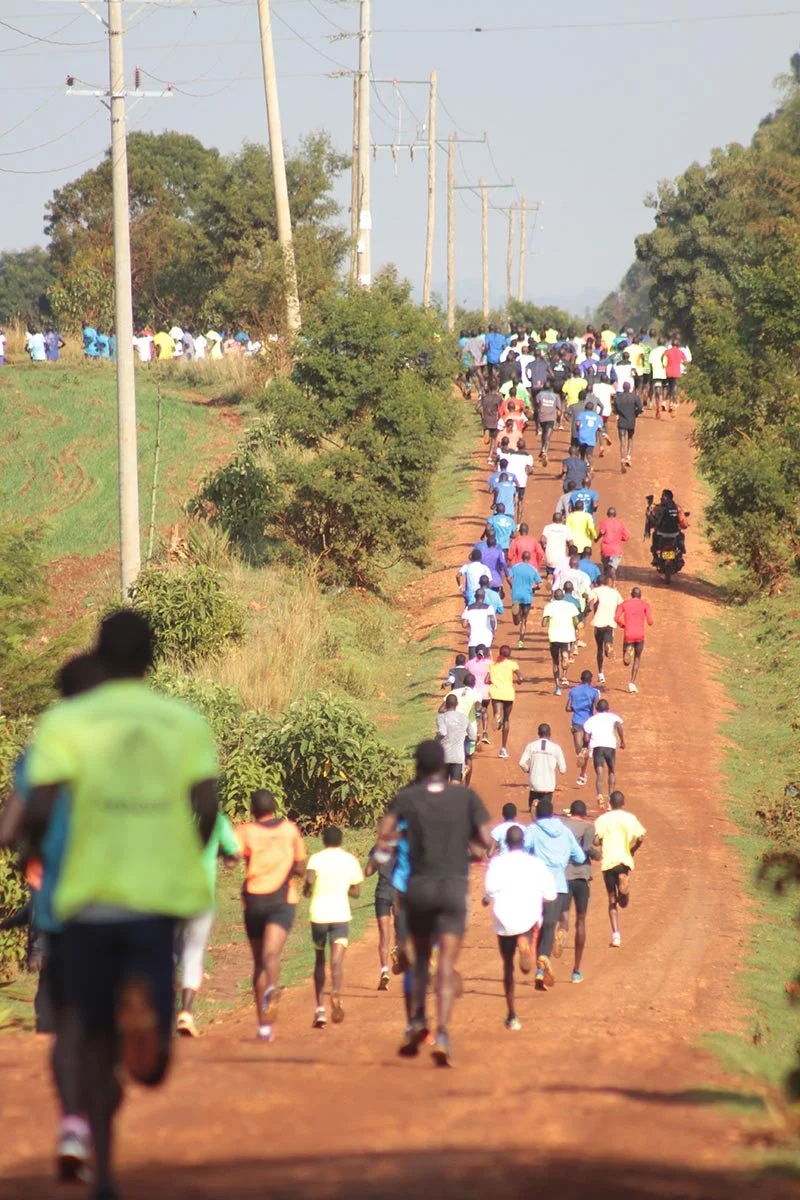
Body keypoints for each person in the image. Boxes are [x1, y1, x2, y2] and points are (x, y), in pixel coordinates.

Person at [21, 610, 219, 1200]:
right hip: (156, 901)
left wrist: (37, 853)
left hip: (86, 898)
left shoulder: (66, 721)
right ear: (152, 658)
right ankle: (145, 1025)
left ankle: (100, 1170)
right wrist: (186, 851)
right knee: (148, 1067)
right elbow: (207, 807)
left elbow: (39, 805)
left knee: (85, 1037)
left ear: (100, 658)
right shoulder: (182, 722)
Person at [0, 652, 106, 1183]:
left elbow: (10, 825)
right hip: (126, 904)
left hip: (66, 907)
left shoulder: (45, 750)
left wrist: (31, 844)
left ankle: (71, 1125)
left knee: (63, 1019)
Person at [377, 740, 493, 1066]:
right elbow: (486, 841)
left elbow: (384, 834)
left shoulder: (407, 798)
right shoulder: (465, 797)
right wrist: (465, 843)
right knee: (444, 964)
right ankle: (442, 1033)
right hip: (453, 890)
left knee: (418, 959)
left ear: (419, 765)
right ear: (444, 764)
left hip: (418, 889)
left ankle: (416, 1020)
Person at [235, 789, 306, 1040]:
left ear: (252, 810)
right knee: (271, 953)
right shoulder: (289, 830)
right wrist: (293, 870)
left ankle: (263, 1026)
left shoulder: (245, 831)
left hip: (254, 901)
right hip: (282, 900)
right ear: (275, 808)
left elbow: (232, 858)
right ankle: (271, 991)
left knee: (258, 963)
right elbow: (300, 865)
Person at [483, 826, 557, 1029]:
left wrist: (487, 898)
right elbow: (550, 894)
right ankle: (525, 943)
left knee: (508, 966)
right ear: (523, 842)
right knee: (529, 926)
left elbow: (490, 889)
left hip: (504, 919)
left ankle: (512, 1015)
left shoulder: (497, 863)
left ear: (505, 843)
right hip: (528, 916)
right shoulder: (535, 864)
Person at [176, 806, 240, 1040]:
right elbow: (233, 855)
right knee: (193, 952)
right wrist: (225, 856)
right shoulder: (217, 820)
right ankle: (186, 1012)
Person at [304, 826, 364, 1028]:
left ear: (323, 840)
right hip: (340, 914)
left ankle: (319, 1009)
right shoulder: (349, 860)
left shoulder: (316, 858)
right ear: (341, 840)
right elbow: (356, 892)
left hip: (319, 914)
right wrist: (342, 886)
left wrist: (307, 888)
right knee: (337, 961)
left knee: (319, 958)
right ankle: (336, 992)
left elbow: (310, 879)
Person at [524, 799, 586, 990]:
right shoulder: (565, 831)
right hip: (558, 884)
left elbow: (523, 849)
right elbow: (580, 857)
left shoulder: (533, 830)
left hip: (535, 883)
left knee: (531, 921)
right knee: (550, 926)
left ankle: (525, 946)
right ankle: (542, 966)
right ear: (552, 814)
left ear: (537, 814)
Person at [594, 791, 646, 947]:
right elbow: (641, 837)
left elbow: (596, 841)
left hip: (608, 861)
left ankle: (616, 935)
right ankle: (624, 881)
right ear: (623, 803)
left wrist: (600, 840)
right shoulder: (630, 818)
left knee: (612, 900)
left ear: (610, 803)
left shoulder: (602, 819)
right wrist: (633, 849)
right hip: (624, 860)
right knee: (624, 903)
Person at [557, 800, 598, 982]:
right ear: (584, 814)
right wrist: (598, 855)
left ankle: (561, 931)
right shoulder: (588, 828)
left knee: (564, 915)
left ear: (570, 812)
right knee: (581, 920)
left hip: (564, 875)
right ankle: (576, 970)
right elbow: (587, 848)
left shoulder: (561, 826)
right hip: (581, 875)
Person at [365, 838, 396, 991]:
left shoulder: (379, 847)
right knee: (401, 929)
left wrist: (378, 860)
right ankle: (397, 949)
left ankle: (384, 970)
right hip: (400, 893)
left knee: (384, 934)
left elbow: (368, 872)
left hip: (382, 893)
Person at [582, 698, 625, 807]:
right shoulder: (613, 717)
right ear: (608, 708)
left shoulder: (591, 720)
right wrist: (622, 741)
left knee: (599, 774)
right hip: (610, 746)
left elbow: (586, 738)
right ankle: (611, 799)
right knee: (611, 771)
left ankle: (600, 796)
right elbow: (619, 725)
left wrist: (586, 747)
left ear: (596, 709)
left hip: (597, 747)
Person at [518, 723, 567, 811]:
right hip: (548, 786)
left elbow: (521, 763)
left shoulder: (531, 746)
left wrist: (528, 770)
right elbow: (563, 770)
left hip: (534, 785)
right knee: (545, 813)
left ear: (538, 734)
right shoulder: (556, 748)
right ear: (549, 734)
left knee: (532, 813)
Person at [615, 587, 654, 693]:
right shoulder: (645, 605)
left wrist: (622, 625)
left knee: (626, 662)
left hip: (628, 634)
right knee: (637, 658)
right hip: (640, 635)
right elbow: (650, 622)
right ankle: (632, 683)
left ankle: (627, 651)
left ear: (631, 594)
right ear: (640, 595)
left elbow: (616, 618)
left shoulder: (624, 604)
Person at [566, 669, 600, 786]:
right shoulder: (594, 692)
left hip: (576, 721)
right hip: (588, 722)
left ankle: (581, 755)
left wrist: (577, 707)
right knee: (585, 748)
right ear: (590, 680)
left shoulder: (573, 691)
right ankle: (582, 774)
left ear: (581, 679)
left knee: (579, 749)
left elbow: (568, 708)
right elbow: (597, 707)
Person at [541, 588, 579, 695]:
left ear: (554, 596)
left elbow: (543, 623)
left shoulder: (549, 606)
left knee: (555, 662)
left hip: (554, 637)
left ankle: (557, 687)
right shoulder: (570, 606)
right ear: (563, 596)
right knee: (564, 653)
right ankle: (565, 662)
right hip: (567, 636)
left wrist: (548, 619)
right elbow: (576, 621)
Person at [488, 645, 522, 760]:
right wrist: (518, 681)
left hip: (496, 693)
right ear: (509, 654)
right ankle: (503, 748)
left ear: (499, 653)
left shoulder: (493, 665)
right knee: (507, 719)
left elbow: (487, 679)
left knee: (497, 712)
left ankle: (497, 716)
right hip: (508, 694)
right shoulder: (512, 664)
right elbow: (521, 677)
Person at [588, 574, 624, 683]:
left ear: (597, 583)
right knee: (608, 637)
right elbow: (621, 604)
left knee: (599, 648)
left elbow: (590, 601)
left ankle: (600, 673)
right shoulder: (615, 592)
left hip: (598, 622)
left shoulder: (595, 591)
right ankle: (609, 644)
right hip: (610, 622)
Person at [435, 693, 472, 781]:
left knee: (443, 784)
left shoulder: (441, 717)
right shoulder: (464, 718)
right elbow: (472, 736)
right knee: (456, 783)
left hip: (444, 756)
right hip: (458, 757)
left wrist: (436, 738)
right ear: (457, 704)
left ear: (446, 704)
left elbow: (443, 732)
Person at [509, 550, 541, 647]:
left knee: (517, 619)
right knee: (524, 619)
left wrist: (512, 586)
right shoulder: (533, 569)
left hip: (516, 594)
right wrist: (534, 588)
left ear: (521, 557)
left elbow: (508, 578)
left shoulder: (515, 567)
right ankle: (521, 641)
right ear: (529, 558)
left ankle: (516, 617)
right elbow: (540, 584)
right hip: (527, 596)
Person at [613, 381, 643, 471]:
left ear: (623, 388)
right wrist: (635, 414)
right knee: (630, 438)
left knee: (622, 441)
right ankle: (628, 457)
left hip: (621, 421)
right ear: (630, 388)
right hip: (631, 421)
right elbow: (640, 408)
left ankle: (622, 457)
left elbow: (614, 410)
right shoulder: (634, 397)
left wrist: (619, 413)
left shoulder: (618, 397)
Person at [597, 507, 630, 581]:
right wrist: (618, 537)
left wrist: (596, 539)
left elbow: (601, 532)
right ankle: (613, 584)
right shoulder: (620, 523)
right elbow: (626, 537)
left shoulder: (604, 522)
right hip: (616, 550)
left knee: (605, 567)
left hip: (605, 549)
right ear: (615, 515)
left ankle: (605, 582)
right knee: (612, 568)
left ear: (607, 514)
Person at [461, 587, 497, 656]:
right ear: (484, 597)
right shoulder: (489, 608)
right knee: (485, 663)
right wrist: (493, 631)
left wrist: (468, 625)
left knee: (472, 663)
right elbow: (492, 619)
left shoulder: (468, 608)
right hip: (486, 639)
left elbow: (464, 624)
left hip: (474, 639)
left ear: (475, 596)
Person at [505, 439, 534, 518]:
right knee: (520, 502)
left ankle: (510, 518)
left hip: (511, 481)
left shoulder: (510, 454)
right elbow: (529, 470)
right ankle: (518, 523)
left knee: (511, 501)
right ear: (525, 446)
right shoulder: (528, 456)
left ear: (517, 446)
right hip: (521, 482)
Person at [540, 511, 572, 581]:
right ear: (562, 520)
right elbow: (571, 543)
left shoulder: (547, 528)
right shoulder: (565, 529)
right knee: (560, 576)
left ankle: (550, 577)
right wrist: (570, 554)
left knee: (550, 568)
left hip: (549, 557)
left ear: (553, 519)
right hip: (561, 559)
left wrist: (544, 548)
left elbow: (542, 539)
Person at [535, 384, 562, 465]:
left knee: (544, 433)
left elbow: (536, 403)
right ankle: (545, 452)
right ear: (551, 388)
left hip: (542, 418)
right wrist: (558, 419)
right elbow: (559, 409)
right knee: (548, 436)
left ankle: (542, 449)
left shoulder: (540, 394)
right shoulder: (556, 396)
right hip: (551, 418)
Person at [478, 385, 503, 462]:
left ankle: (486, 432)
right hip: (495, 420)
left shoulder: (484, 397)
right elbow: (502, 408)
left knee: (489, 439)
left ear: (489, 388)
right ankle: (492, 456)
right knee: (495, 439)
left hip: (486, 420)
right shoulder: (498, 398)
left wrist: (481, 415)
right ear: (496, 388)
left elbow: (477, 407)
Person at [663, 337, 687, 410]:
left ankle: (665, 402)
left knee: (668, 387)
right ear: (678, 345)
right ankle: (672, 403)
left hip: (668, 371)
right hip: (676, 372)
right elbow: (685, 360)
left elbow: (663, 359)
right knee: (674, 387)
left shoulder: (667, 351)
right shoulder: (680, 352)